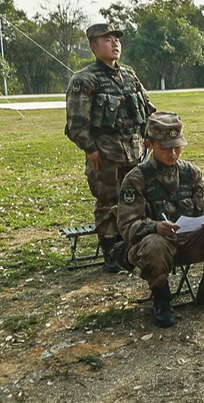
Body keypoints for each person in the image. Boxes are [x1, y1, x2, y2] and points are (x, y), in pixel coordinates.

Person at [117, 112, 204, 328]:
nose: (173, 153)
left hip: (190, 241)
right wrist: (155, 226)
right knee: (155, 244)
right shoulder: (136, 178)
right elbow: (127, 226)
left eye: (177, 146)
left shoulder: (190, 172)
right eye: (165, 147)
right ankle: (162, 300)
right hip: (157, 248)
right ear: (149, 144)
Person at [65, 23, 155, 272]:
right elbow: (76, 123)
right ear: (94, 47)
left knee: (134, 198)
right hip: (105, 154)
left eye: (116, 39)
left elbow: (148, 110)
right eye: (107, 39)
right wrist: (90, 149)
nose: (115, 43)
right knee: (107, 202)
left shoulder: (129, 76)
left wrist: (151, 136)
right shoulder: (84, 80)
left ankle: (130, 242)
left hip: (135, 152)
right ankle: (110, 249)